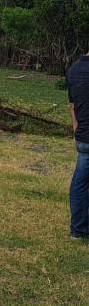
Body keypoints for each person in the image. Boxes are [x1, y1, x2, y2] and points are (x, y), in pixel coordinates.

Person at [66, 52, 89, 241]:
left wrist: (76, 128)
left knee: (80, 182)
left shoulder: (74, 69)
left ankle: (79, 228)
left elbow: (71, 105)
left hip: (83, 137)